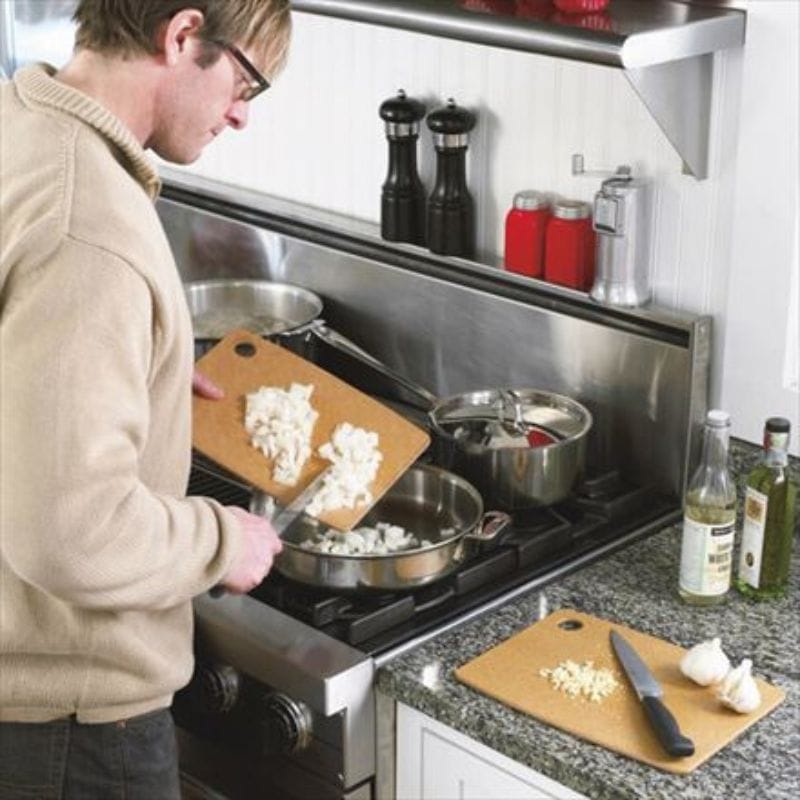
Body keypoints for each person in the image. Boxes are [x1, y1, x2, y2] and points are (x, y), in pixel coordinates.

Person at [0, 1, 291, 797]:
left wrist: (133, 367)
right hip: (68, 729)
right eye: (246, 82)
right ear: (183, 35)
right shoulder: (87, 223)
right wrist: (222, 542)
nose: (241, 114)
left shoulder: (20, 124)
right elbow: (72, 533)